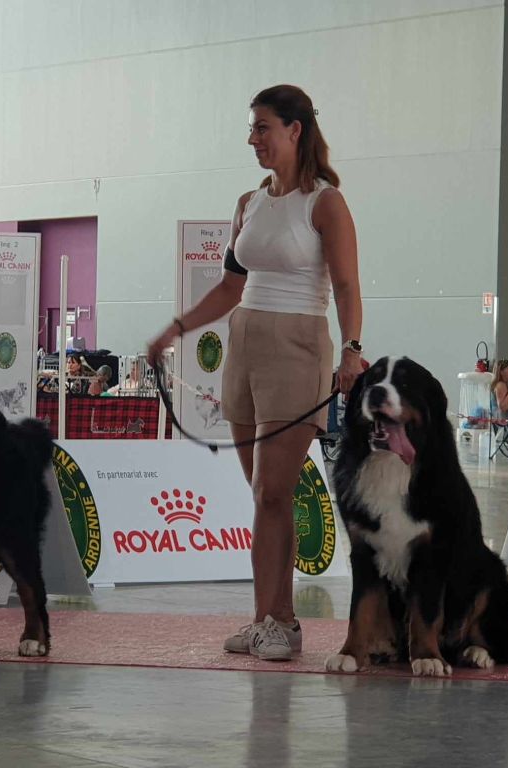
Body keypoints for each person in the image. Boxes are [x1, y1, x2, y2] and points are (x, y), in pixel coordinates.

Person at [148, 84, 362, 662]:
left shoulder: (325, 202)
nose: (253, 139)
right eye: (251, 128)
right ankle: (270, 619)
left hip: (299, 344)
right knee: (262, 494)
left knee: (274, 489)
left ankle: (280, 620)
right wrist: (177, 328)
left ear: (296, 130)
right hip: (244, 343)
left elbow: (345, 285)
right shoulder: (248, 202)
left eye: (263, 127)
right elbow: (231, 285)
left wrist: (353, 349)